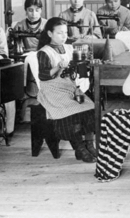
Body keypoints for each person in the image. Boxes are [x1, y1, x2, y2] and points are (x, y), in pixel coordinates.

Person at [32, 17, 97, 162]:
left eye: (65, 33)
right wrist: (59, 66)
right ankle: (79, 148)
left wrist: (86, 62)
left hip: (68, 87)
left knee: (90, 107)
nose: (64, 36)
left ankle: (89, 145)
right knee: (70, 111)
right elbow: (43, 76)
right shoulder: (44, 52)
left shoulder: (69, 48)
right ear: (50, 34)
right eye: (59, 33)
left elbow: (79, 70)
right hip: (52, 90)